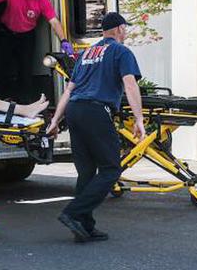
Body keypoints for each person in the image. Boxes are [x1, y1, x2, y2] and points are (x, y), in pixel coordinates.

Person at [46, 12, 145, 243]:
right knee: (111, 169)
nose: (126, 32)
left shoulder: (86, 53)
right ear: (119, 29)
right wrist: (139, 119)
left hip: (75, 112)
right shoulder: (121, 51)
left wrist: (55, 120)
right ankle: (73, 213)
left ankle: (84, 227)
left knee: (87, 172)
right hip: (96, 111)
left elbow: (69, 91)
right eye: (125, 28)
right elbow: (130, 85)